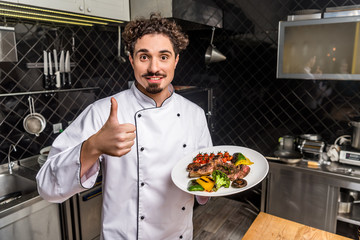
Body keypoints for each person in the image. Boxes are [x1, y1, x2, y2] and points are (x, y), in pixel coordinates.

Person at [36, 13, 213, 240]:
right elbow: (46, 187)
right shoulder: (103, 112)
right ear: (131, 60)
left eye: (164, 56)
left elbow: (204, 181)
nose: (154, 67)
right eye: (143, 57)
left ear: (176, 60)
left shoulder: (194, 115)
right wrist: (92, 146)